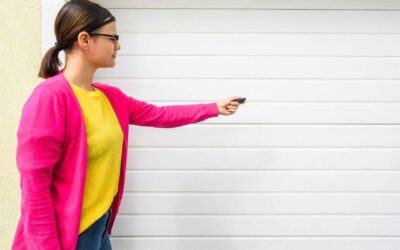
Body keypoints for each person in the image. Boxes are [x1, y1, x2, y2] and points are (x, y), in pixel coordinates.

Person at [12, 0, 244, 249]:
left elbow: (160, 114)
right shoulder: (50, 98)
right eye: (112, 38)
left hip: (99, 230)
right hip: (68, 238)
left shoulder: (110, 98)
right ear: (84, 40)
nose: (118, 46)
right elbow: (34, 187)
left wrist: (213, 108)